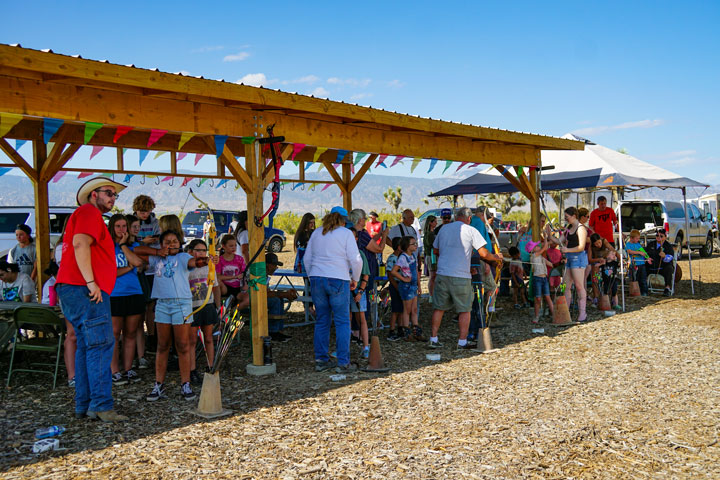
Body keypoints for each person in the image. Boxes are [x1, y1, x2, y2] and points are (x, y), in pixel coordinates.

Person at [55, 176, 128, 422]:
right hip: (83, 289)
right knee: (100, 345)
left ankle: (85, 405)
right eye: (109, 192)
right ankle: (101, 406)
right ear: (93, 194)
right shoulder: (88, 212)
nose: (113, 198)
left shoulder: (87, 214)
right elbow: (79, 243)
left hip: (74, 288)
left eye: (115, 194)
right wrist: (91, 281)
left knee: (88, 346)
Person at [145, 230, 213, 402]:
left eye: (175, 241)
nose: (172, 244)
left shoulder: (182, 257)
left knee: (183, 345)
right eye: (167, 241)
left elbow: (195, 262)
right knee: (162, 345)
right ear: (161, 245)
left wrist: (207, 260)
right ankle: (159, 384)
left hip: (181, 304)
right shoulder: (157, 258)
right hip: (162, 303)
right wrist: (155, 251)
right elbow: (136, 252)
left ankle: (185, 384)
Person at [429, 207, 503, 349]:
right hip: (461, 276)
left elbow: (436, 250)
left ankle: (433, 338)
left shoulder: (444, 229)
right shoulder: (471, 230)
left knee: (439, 308)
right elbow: (483, 253)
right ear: (469, 218)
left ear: (456, 217)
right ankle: (462, 341)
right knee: (465, 309)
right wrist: (496, 257)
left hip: (443, 273)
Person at [303, 207, 362, 373]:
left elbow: (307, 259)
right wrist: (355, 279)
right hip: (338, 278)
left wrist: (312, 277)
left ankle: (321, 359)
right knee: (342, 321)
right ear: (344, 221)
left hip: (317, 278)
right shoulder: (345, 234)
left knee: (322, 320)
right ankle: (343, 362)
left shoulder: (317, 233)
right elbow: (356, 260)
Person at [107, 214, 146, 386]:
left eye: (124, 226)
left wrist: (123, 246)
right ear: (112, 228)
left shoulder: (133, 246)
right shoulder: (107, 247)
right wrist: (128, 267)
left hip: (134, 292)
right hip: (115, 294)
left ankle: (128, 368)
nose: (122, 230)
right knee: (114, 333)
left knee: (130, 333)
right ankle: (114, 370)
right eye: (118, 226)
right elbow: (110, 273)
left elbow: (138, 262)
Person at [187, 239, 220, 384]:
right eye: (198, 250)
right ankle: (192, 370)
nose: (201, 253)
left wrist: (218, 306)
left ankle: (210, 366)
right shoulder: (188, 267)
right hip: (192, 307)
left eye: (203, 250)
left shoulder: (209, 267)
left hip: (207, 305)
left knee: (208, 338)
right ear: (190, 252)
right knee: (192, 340)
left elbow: (215, 286)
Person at [133, 195, 160, 357]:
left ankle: (151, 335)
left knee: (151, 305)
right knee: (141, 306)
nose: (145, 214)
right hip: (138, 269)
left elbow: (157, 240)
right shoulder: (131, 222)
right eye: (142, 211)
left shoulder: (155, 223)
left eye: (147, 211)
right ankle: (139, 338)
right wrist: (144, 242)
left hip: (152, 268)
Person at [350, 209, 387, 313]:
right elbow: (379, 249)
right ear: (359, 220)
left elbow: (371, 242)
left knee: (355, 301)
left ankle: (357, 326)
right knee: (368, 297)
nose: (365, 220)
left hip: (353, 271)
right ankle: (366, 322)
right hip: (367, 271)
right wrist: (384, 236)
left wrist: (379, 234)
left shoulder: (350, 232)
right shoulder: (362, 234)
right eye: (364, 218)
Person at [391, 235, 426, 342]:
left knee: (414, 309)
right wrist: (403, 279)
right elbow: (393, 271)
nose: (416, 245)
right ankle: (406, 332)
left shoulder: (413, 256)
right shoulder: (403, 258)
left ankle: (416, 331)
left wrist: (419, 286)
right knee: (407, 310)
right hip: (406, 286)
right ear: (407, 246)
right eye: (413, 244)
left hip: (413, 285)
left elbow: (416, 271)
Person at [560, 207, 589, 322]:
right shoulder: (568, 228)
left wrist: (567, 250)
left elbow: (581, 247)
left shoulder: (581, 229)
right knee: (566, 286)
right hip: (569, 258)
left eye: (567, 217)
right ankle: (566, 312)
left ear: (574, 216)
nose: (566, 219)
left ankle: (583, 312)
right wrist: (548, 235)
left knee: (578, 285)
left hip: (578, 258)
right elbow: (559, 240)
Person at [348, 227, 371, 358]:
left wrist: (360, 292)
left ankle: (366, 346)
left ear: (356, 239)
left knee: (361, 318)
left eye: (353, 237)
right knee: (347, 318)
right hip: (345, 292)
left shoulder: (360, 254)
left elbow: (365, 275)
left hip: (357, 292)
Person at [264, 252, 297, 343]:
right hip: (253, 300)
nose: (275, 268)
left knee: (279, 299)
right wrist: (283, 294)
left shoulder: (264, 274)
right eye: (274, 265)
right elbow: (264, 294)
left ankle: (278, 330)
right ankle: (273, 331)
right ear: (268, 265)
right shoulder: (261, 275)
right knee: (275, 301)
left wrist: (283, 294)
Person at [527, 240, 555, 324]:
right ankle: (536, 316)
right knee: (538, 298)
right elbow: (545, 247)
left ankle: (554, 315)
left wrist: (560, 263)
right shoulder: (533, 256)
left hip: (544, 279)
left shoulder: (541, 257)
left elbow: (551, 264)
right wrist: (546, 239)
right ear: (532, 249)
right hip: (537, 279)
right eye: (536, 246)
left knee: (547, 297)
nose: (538, 246)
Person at [588, 233, 616, 304]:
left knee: (609, 276)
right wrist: (598, 259)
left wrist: (619, 258)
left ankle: (608, 296)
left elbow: (613, 250)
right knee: (595, 276)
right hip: (596, 261)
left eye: (599, 242)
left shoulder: (604, 241)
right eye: (596, 244)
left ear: (601, 239)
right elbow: (590, 259)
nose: (599, 245)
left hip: (605, 261)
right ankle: (596, 297)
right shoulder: (591, 247)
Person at [646, 228, 675, 296]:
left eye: (661, 236)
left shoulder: (668, 246)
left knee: (669, 268)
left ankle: (667, 288)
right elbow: (646, 253)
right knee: (642, 266)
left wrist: (664, 256)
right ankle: (643, 287)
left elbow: (670, 257)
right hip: (651, 266)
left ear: (665, 237)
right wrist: (647, 258)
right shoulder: (651, 244)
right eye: (657, 236)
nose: (659, 237)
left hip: (662, 268)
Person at [385, 237, 404, 341]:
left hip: (401, 284)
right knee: (395, 309)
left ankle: (400, 328)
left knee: (401, 309)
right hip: (395, 284)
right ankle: (392, 330)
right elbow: (390, 274)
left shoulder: (403, 258)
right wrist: (396, 286)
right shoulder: (392, 258)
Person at [217, 233, 246, 300]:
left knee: (247, 300)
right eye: (231, 246)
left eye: (235, 246)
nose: (234, 248)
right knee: (217, 281)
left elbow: (244, 273)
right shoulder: (219, 260)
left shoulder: (240, 259)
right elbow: (218, 277)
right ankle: (218, 306)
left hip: (238, 288)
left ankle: (234, 309)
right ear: (223, 246)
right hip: (225, 288)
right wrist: (235, 277)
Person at [625, 229, 649, 296]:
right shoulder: (628, 244)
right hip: (634, 264)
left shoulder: (638, 244)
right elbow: (629, 251)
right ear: (631, 238)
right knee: (635, 279)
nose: (638, 240)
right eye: (637, 238)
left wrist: (647, 257)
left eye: (638, 238)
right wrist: (639, 252)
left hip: (642, 264)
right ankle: (635, 291)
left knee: (643, 279)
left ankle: (644, 292)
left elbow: (643, 252)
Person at [422, 215, 438, 297]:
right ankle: (431, 295)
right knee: (432, 276)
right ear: (431, 223)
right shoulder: (429, 234)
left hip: (432, 256)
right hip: (431, 256)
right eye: (435, 221)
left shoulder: (431, 233)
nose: (436, 223)